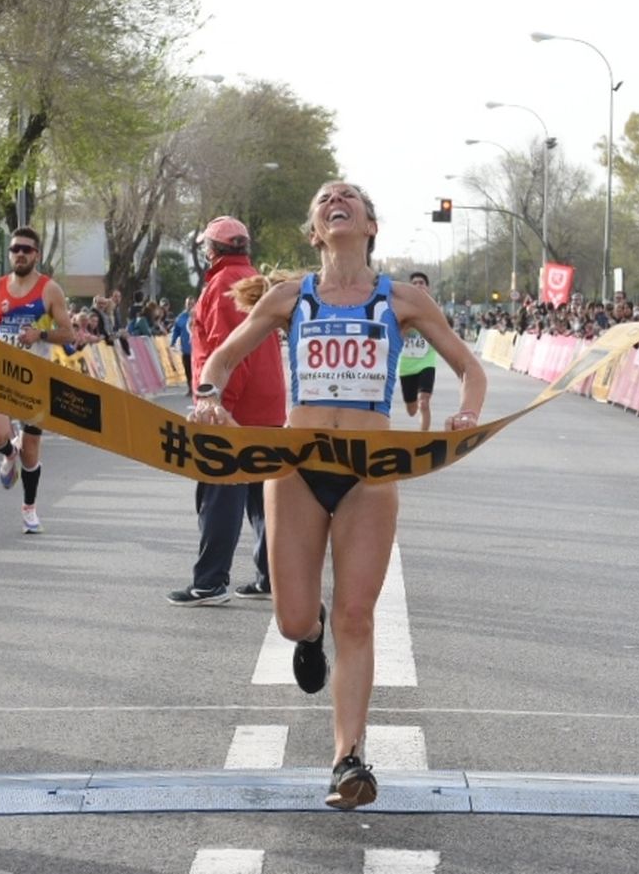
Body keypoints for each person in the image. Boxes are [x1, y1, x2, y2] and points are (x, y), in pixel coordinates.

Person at [190, 183, 486, 811]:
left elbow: (470, 368)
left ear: (370, 225)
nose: (336, 199)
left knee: (358, 615)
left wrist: (468, 412)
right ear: (314, 231)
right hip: (298, 469)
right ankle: (310, 631)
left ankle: (348, 758)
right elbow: (221, 358)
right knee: (293, 619)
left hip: (368, 473)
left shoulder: (403, 300)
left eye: (349, 196)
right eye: (325, 198)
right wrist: (208, 395)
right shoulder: (288, 298)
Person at [168, 218, 283, 608]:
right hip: (267, 404)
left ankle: (210, 582)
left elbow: (228, 353)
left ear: (211, 250)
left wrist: (219, 407)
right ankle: (270, 577)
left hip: (235, 407)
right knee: (261, 496)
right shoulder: (254, 280)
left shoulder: (222, 286)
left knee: (220, 493)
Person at [0, 225, 73, 534]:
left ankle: (29, 508)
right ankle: (8, 453)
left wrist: (39, 335)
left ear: (36, 255)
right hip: (0, 374)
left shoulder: (49, 290)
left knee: (31, 451)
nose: (20, 254)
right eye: (15, 249)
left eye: (26, 250)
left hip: (34, 379)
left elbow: (68, 333)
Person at [396, 271, 440, 431]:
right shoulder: (402, 309)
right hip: (407, 364)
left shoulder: (435, 310)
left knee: (424, 402)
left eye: (421, 283)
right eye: (414, 283)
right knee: (412, 410)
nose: (418, 285)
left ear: (427, 287)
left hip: (427, 362)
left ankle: (423, 438)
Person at [169, 296, 194, 388]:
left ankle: (195, 387)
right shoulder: (181, 317)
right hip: (186, 349)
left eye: (192, 304)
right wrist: (172, 342)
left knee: (195, 370)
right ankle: (190, 387)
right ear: (185, 305)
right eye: (188, 304)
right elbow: (176, 331)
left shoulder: (199, 315)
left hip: (196, 350)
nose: (190, 306)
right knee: (187, 369)